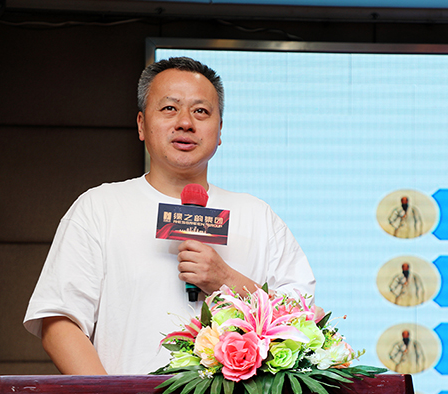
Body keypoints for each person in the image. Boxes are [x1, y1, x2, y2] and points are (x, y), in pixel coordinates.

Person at [23, 57, 315, 375]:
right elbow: (59, 321)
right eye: (169, 108)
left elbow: (303, 324)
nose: (185, 123)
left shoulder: (259, 217)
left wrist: (226, 280)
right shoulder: (99, 207)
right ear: (141, 124)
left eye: (201, 111)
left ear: (220, 130)